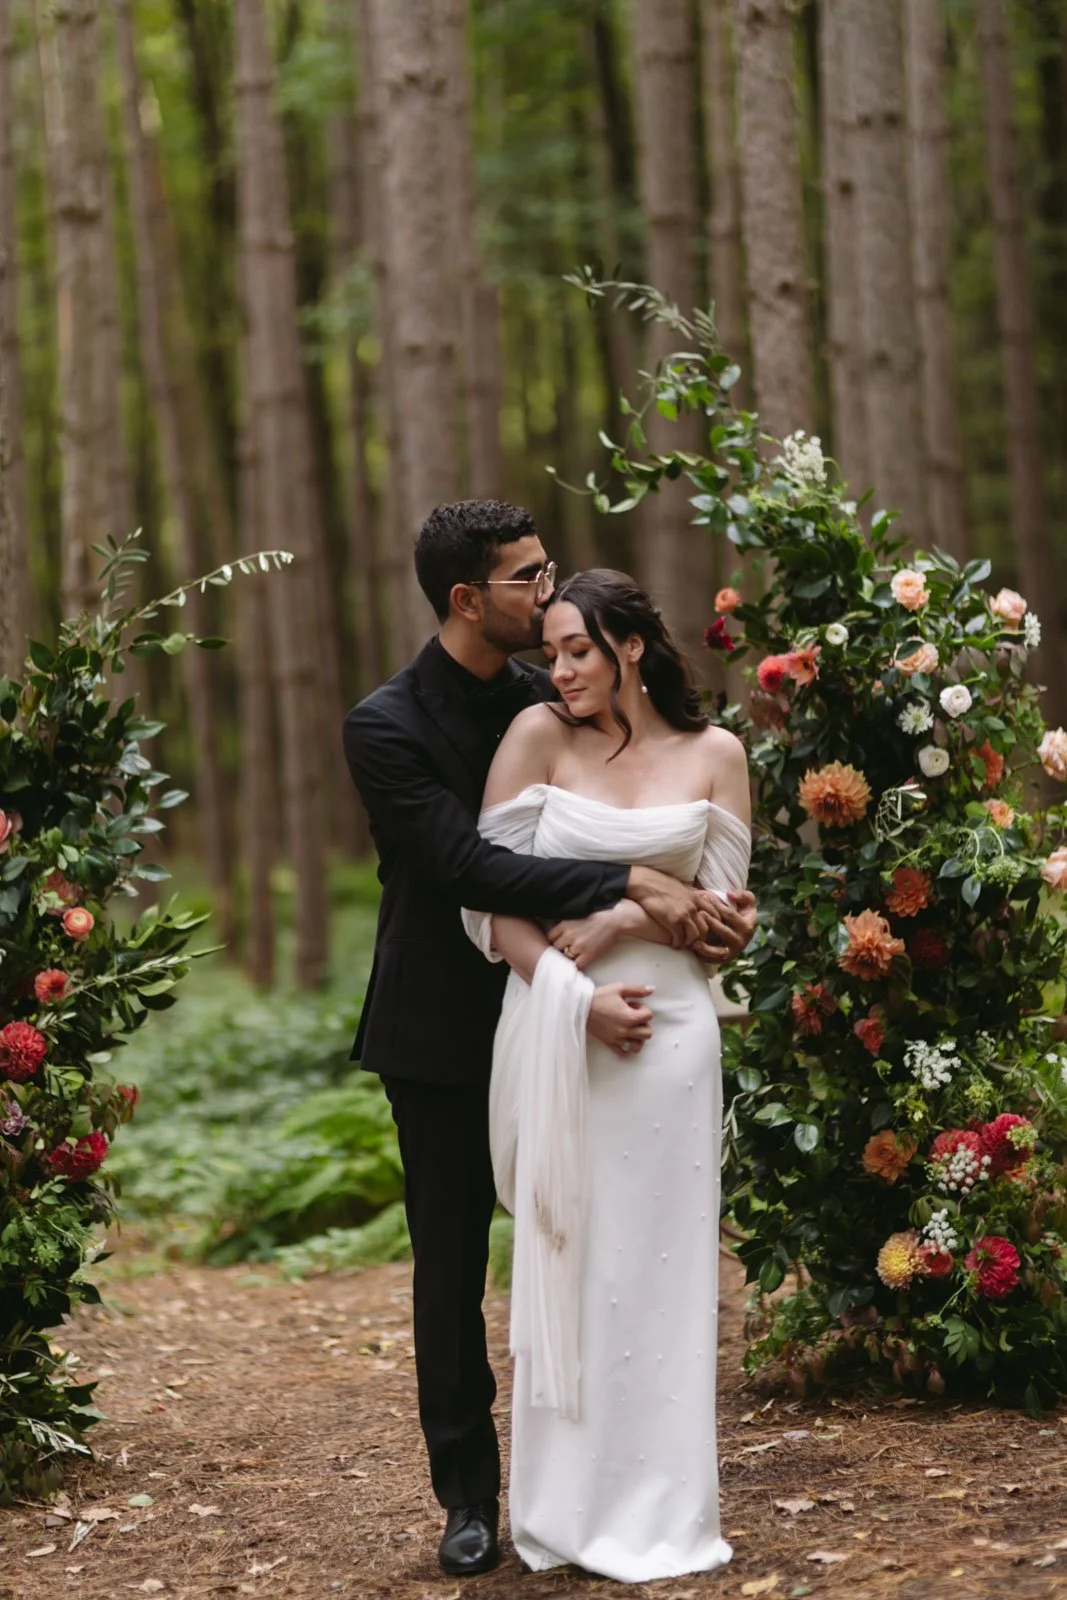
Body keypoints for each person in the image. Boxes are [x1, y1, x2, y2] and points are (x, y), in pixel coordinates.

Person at [342, 501, 756, 1577]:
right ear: (466, 599)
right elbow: (471, 872)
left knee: (598, 1250)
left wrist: (696, 910)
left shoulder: (555, 693)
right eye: (527, 578)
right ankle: (469, 1497)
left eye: (552, 576)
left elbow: (657, 789)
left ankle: (612, 1472)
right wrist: (635, 885)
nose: (547, 589)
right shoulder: (384, 725)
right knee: (450, 1265)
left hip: (588, 1021)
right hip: (442, 1023)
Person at [461, 567, 751, 1582]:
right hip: (561, 1026)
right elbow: (486, 905)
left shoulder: (716, 753)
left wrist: (632, 913)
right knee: (575, 1260)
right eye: (550, 651)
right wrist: (575, 999)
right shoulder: (536, 738)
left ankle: (668, 1509)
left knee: (662, 1277)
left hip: (673, 1038)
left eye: (578, 648)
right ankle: (565, 1508)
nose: (559, 669)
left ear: (629, 645)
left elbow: (723, 924)